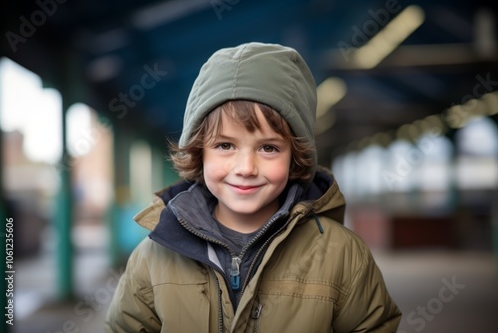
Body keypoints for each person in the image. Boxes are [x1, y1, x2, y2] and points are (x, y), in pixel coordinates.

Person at [105, 42, 401, 332]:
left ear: (295, 156)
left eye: (269, 148)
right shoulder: (154, 256)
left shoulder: (343, 255)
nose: (246, 168)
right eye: (224, 145)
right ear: (199, 152)